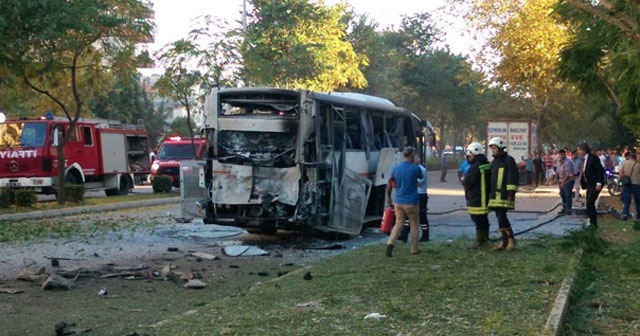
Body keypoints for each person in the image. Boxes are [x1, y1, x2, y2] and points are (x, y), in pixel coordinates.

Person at [385, 146, 424, 257]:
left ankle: (390, 244)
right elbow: (421, 177)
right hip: (411, 201)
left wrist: (388, 197)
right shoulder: (415, 168)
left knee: (398, 224)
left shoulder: (395, 168)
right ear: (412, 155)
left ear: (403, 155)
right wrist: (416, 164)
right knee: (414, 224)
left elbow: (390, 182)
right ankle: (414, 249)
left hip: (398, 201)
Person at [487, 137, 519, 251]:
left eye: (494, 148)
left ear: (500, 147)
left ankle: (510, 239)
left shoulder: (509, 160)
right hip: (495, 195)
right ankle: (503, 240)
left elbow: (512, 177)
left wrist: (511, 193)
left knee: (502, 216)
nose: (493, 150)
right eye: (492, 148)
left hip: (505, 195)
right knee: (499, 216)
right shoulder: (495, 162)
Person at [462, 142, 491, 248]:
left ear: (474, 153)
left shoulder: (475, 167)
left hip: (477, 198)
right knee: (484, 219)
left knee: (477, 219)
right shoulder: (486, 165)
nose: (468, 157)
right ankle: (485, 238)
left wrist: (464, 180)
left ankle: (479, 242)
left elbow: (468, 183)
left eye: (469, 154)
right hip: (485, 198)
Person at [578, 142, 604, 228]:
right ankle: (591, 221)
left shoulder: (593, 158)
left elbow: (600, 170)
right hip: (589, 184)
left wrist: (599, 183)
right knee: (588, 203)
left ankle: (594, 223)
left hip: (595, 184)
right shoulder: (584, 159)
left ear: (584, 150)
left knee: (590, 202)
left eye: (579, 150)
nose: (578, 152)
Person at [619, 151, 640, 221]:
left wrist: (618, 183)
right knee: (637, 201)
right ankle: (639, 216)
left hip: (626, 184)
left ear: (630, 157)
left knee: (626, 200)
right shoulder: (638, 164)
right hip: (636, 184)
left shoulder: (625, 163)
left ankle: (625, 214)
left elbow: (621, 173)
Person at [556, 149, 575, 215]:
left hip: (568, 181)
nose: (560, 156)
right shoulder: (558, 162)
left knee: (568, 195)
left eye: (561, 154)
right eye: (559, 154)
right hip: (561, 180)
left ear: (564, 154)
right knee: (562, 195)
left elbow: (568, 174)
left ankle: (568, 210)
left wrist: (563, 182)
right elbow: (557, 171)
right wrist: (558, 181)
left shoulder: (568, 162)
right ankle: (564, 208)